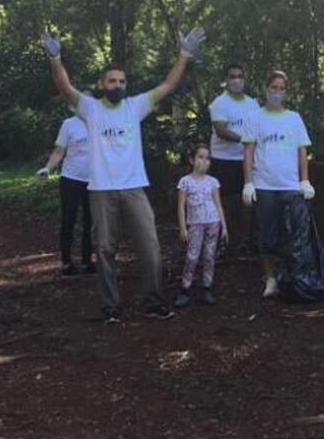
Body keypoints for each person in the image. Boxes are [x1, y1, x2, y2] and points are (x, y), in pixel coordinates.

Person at [41, 27, 207, 323]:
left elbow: (168, 84)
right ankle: (111, 306)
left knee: (150, 246)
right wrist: (55, 59)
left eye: (121, 81)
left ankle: (154, 301)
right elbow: (65, 88)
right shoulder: (91, 109)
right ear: (102, 84)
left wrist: (184, 54)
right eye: (112, 81)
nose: (117, 85)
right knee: (105, 249)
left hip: (133, 187)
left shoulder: (135, 106)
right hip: (101, 189)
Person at [241, 71, 315, 298]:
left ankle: (289, 276)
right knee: (266, 235)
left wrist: (304, 180)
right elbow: (249, 152)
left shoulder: (294, 118)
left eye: (281, 88)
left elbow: (302, 150)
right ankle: (270, 277)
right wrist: (248, 183)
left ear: (286, 92)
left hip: (290, 186)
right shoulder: (255, 118)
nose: (277, 92)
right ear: (266, 89)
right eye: (273, 87)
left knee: (291, 234)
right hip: (265, 186)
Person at [37, 90, 94, 276]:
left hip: (94, 182)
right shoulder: (69, 125)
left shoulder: (100, 125)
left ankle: (87, 262)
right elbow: (58, 152)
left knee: (90, 222)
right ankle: (67, 262)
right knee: (68, 220)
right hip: (70, 180)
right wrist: (48, 168)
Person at [208, 64, 260, 251]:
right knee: (223, 200)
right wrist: (246, 139)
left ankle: (245, 239)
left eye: (239, 76)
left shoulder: (252, 104)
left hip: (246, 160)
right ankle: (222, 239)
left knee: (247, 200)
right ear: (226, 79)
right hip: (223, 159)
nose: (236, 80)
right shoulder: (219, 103)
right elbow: (221, 130)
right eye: (232, 76)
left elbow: (258, 128)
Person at [176, 144, 228, 307]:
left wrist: (224, 226)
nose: (204, 161)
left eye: (207, 158)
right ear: (192, 160)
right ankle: (185, 288)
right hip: (195, 223)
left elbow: (218, 204)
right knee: (192, 256)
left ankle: (207, 287)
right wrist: (183, 227)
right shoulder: (185, 182)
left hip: (213, 222)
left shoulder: (213, 182)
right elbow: (181, 205)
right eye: (200, 157)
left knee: (209, 255)